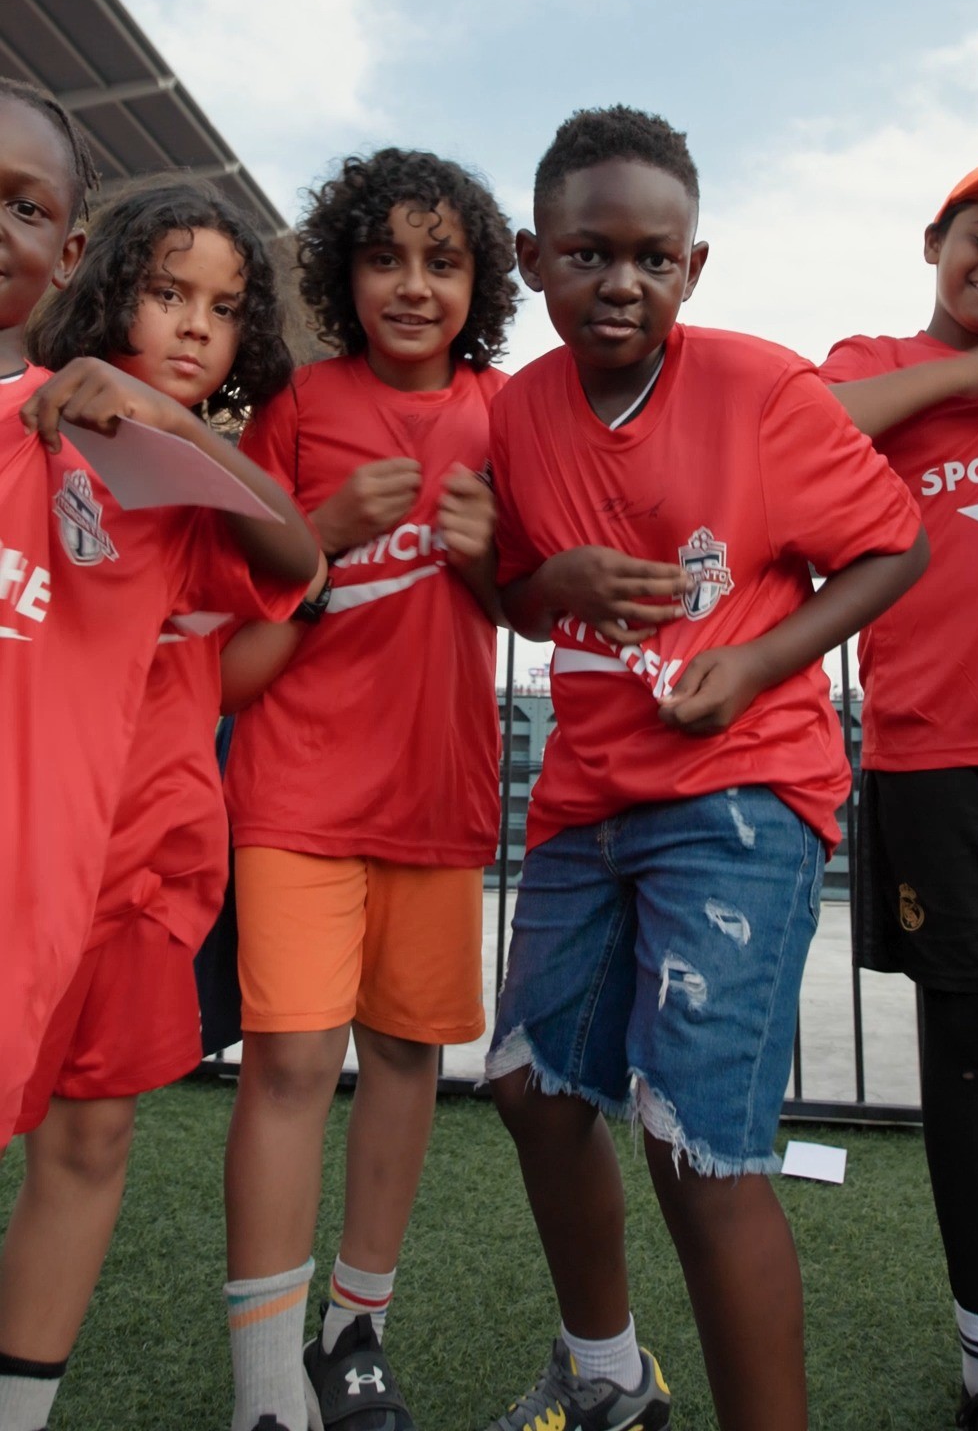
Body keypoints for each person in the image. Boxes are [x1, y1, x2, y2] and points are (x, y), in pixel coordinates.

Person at [480, 104, 928, 1431]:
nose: (621, 281)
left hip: (741, 796)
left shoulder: (759, 389)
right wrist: (542, 582)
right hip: (585, 798)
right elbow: (512, 594)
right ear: (531, 256)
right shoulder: (517, 413)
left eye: (653, 258)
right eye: (587, 253)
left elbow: (893, 546)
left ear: (696, 266)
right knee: (530, 1085)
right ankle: (607, 1376)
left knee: (696, 1141)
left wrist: (757, 660)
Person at [0, 174, 323, 1431]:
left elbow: (295, 559)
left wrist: (173, 428)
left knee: (89, 1145)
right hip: (27, 850)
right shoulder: (26, 416)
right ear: (102, 285)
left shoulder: (186, 481)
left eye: (227, 308)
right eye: (166, 292)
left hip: (142, 870)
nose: (196, 325)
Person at [217, 148, 517, 1431]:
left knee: (404, 1057)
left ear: (478, 281)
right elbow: (244, 597)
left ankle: (357, 1332)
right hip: (294, 790)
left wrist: (497, 560)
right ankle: (264, 1388)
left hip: (439, 796)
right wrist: (321, 532)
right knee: (289, 1061)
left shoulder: (507, 412)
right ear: (344, 269)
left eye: (441, 262)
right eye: (385, 257)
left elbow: (531, 600)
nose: (411, 284)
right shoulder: (296, 406)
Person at [821, 162, 978, 1431]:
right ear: (936, 238)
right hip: (936, 761)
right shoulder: (873, 359)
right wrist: (973, 376)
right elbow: (812, 433)